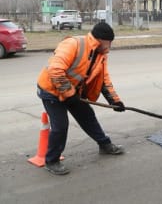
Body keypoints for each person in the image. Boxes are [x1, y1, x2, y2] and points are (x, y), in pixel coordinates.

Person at [37, 22, 126, 175]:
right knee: (60, 125)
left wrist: (114, 101)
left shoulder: (100, 55)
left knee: (88, 116)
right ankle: (51, 161)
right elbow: (55, 69)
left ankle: (104, 145)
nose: (109, 46)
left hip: (72, 92)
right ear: (100, 39)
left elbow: (103, 80)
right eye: (109, 42)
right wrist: (69, 94)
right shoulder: (73, 44)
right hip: (50, 90)